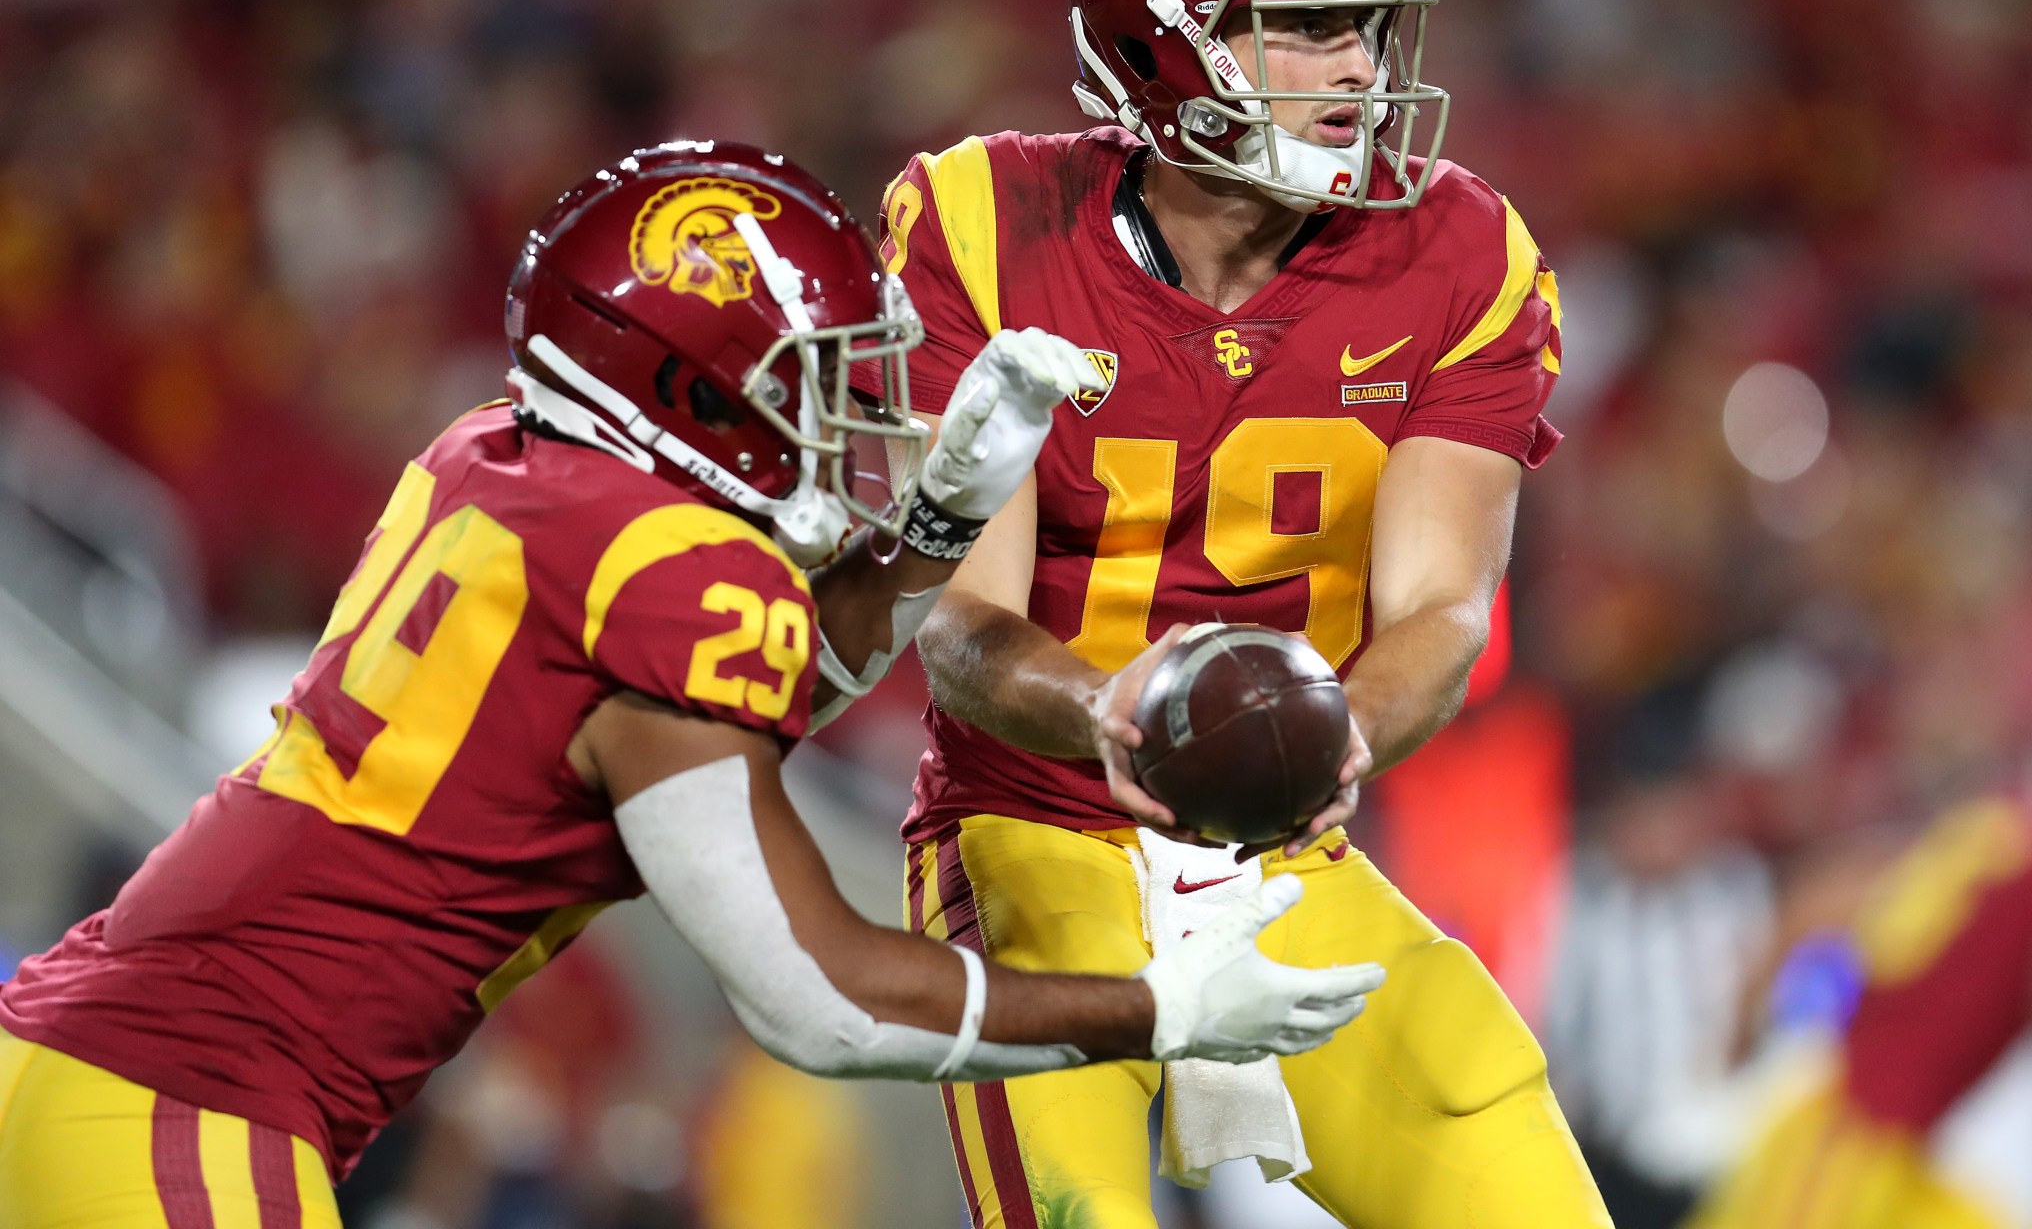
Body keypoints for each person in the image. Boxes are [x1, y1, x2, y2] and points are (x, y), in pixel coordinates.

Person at [0, 142, 1382, 1227]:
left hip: (94, 1056)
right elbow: (821, 1001)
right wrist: (1163, 1011)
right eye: (807, 379)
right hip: (183, 1097)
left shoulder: (503, 458)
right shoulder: (670, 581)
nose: (838, 417)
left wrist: (943, 523)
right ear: (683, 381)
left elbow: (741, 709)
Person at [881, 0, 1605, 1227]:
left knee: (1506, 1145)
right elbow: (959, 623)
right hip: (1028, 831)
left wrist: (1336, 738)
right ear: (1163, 49)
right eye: (1308, 26)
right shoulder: (987, 222)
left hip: (1281, 855)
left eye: (1373, 28)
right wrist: (1112, 712)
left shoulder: (1461, 255)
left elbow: (1444, 612)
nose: (1362, 71)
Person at [1692, 765, 2032, 1229]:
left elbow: (1823, 902)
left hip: (1841, 1144)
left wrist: (1738, 1031)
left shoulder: (1998, 833)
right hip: (1857, 1160)